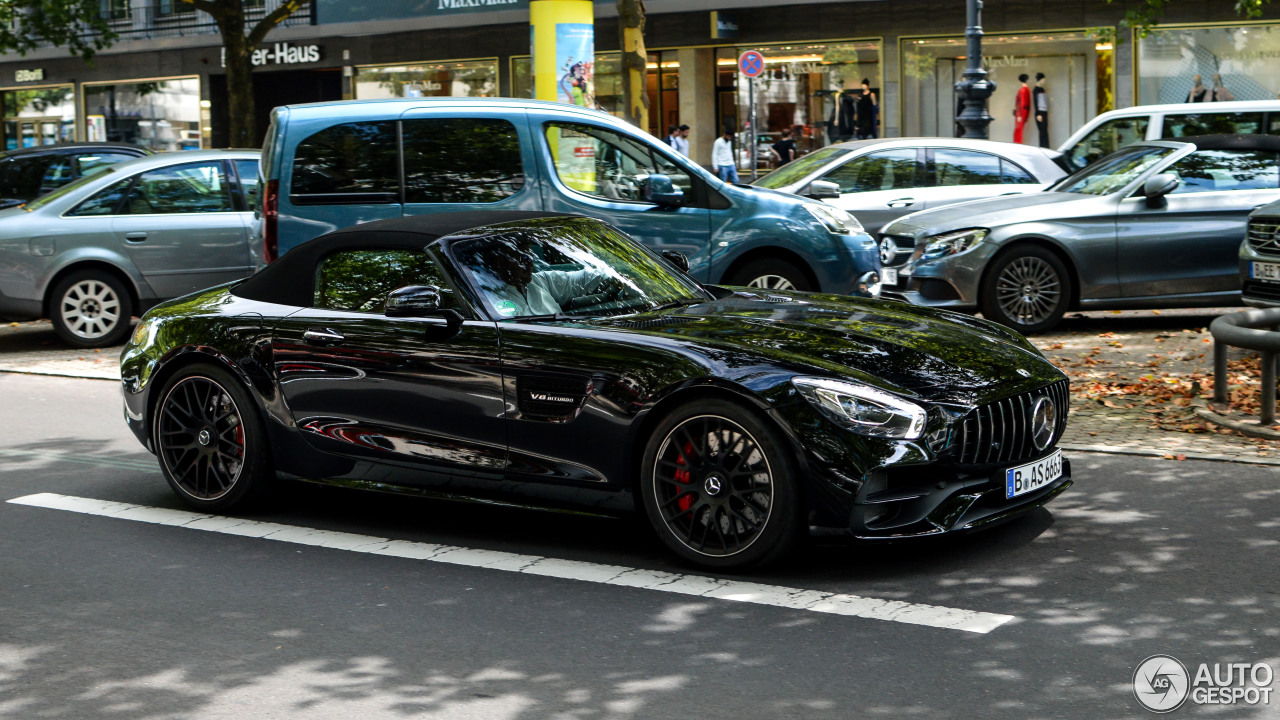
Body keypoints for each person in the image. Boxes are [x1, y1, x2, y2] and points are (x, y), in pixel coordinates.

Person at [464, 238, 616, 318]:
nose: (531, 263)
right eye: (523, 257)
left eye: (531, 256)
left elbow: (585, 279)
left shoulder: (540, 281)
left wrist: (620, 278)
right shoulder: (483, 297)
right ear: (500, 262)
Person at [1013, 73, 1031, 144]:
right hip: (1024, 111)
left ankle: (1017, 143)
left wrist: (1019, 114)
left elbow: (1022, 102)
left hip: (1021, 111)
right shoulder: (1027, 89)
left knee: (1018, 130)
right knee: (1020, 129)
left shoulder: (1022, 90)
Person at [1033, 72, 1050, 148]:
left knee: (1045, 131)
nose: (1044, 81)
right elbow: (1035, 102)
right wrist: (1038, 114)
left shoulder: (1042, 89)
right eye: (1043, 79)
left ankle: (1046, 146)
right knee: (1042, 131)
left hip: (1044, 112)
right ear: (1040, 79)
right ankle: (1043, 147)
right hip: (1040, 112)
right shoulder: (1035, 90)